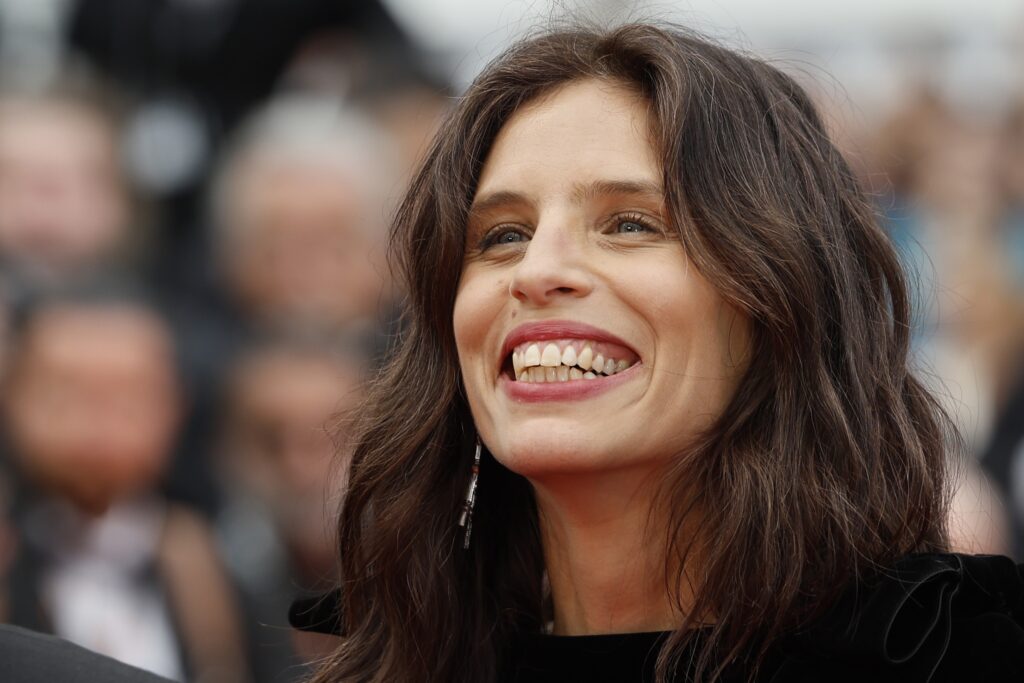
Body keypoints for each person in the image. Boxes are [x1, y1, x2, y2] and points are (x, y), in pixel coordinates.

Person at [290, 23, 1024, 682]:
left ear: (781, 302)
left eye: (631, 223)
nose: (537, 271)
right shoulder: (399, 664)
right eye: (501, 235)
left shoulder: (946, 656)